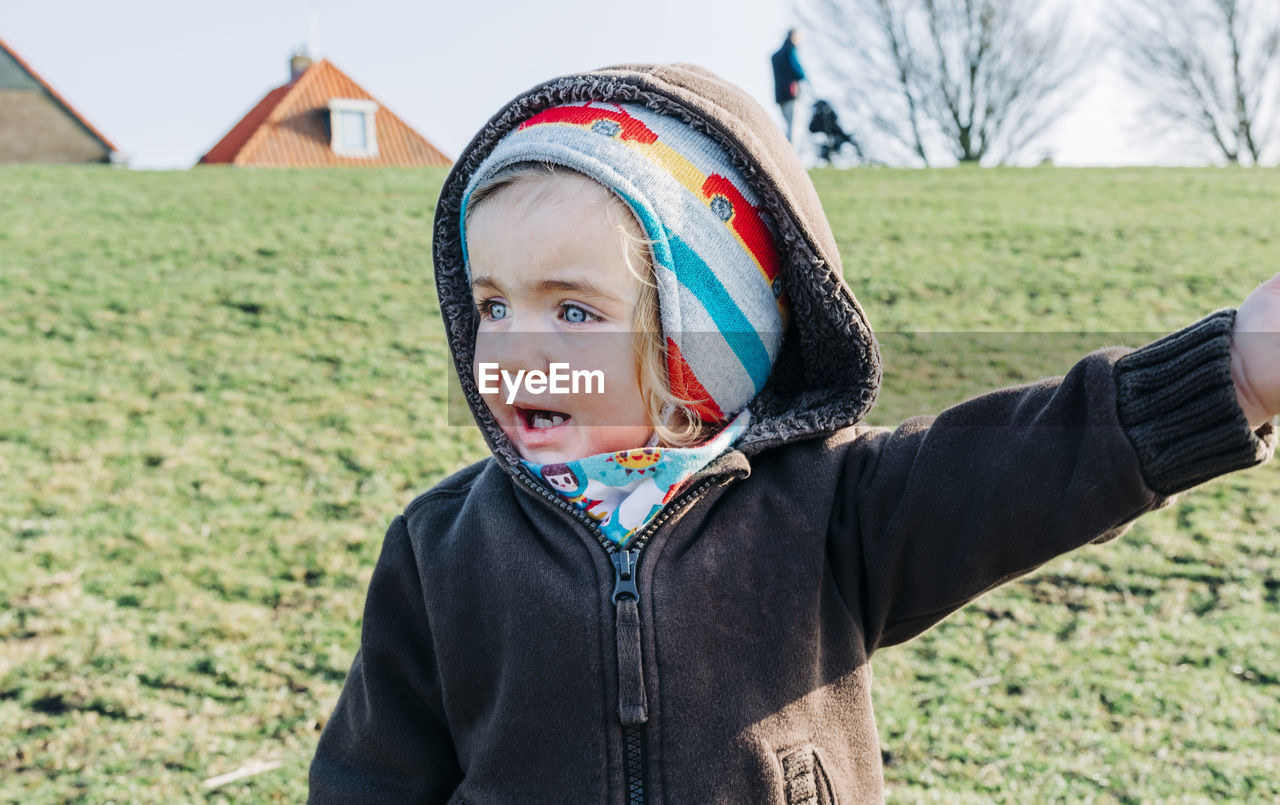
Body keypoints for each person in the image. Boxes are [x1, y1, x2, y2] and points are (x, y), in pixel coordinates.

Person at [307, 63, 1279, 803]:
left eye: (572, 313)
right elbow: (369, 775)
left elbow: (1026, 463)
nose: (516, 348)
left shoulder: (828, 509)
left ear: (708, 342)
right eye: (490, 303)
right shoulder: (440, 547)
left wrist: (1230, 372)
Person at [771, 28, 807, 142]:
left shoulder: (775, 56)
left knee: (788, 126)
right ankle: (791, 156)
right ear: (793, 37)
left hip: (780, 95)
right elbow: (798, 72)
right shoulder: (790, 51)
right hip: (791, 94)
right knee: (794, 127)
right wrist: (803, 77)